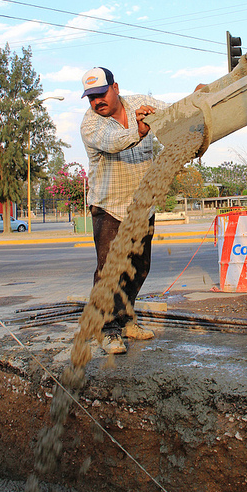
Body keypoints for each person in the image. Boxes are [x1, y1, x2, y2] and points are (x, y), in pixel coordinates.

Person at [80, 67, 168, 355]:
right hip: (110, 208)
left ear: (115, 87)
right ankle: (106, 330)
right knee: (110, 271)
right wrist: (140, 130)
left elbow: (174, 115)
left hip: (142, 204)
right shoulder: (91, 124)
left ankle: (127, 318)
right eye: (90, 97)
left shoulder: (141, 102)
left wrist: (196, 100)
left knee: (139, 267)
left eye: (101, 94)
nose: (96, 102)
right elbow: (114, 143)